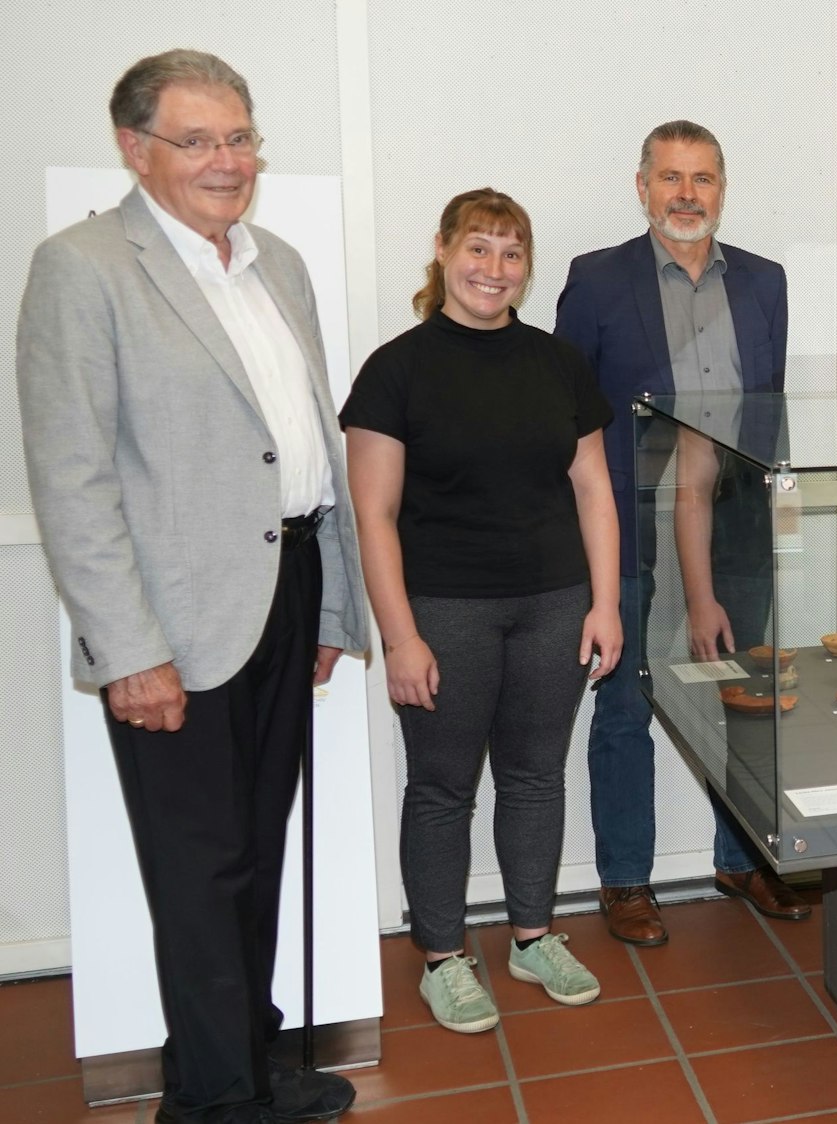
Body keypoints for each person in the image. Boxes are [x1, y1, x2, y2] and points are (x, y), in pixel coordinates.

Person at [16, 50, 365, 1124]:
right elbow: (71, 476)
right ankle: (213, 1100)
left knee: (256, 851)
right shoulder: (83, 267)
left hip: (287, 586)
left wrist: (333, 608)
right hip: (173, 621)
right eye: (201, 139)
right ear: (135, 149)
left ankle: (246, 1061)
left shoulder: (280, 265)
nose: (230, 161)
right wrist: (128, 650)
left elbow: (309, 443)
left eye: (242, 136)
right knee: (198, 870)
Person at [341, 189, 621, 1034]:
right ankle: (442, 955)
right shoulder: (396, 369)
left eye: (510, 253)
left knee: (536, 778)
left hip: (554, 603)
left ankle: (533, 936)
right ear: (442, 251)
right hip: (444, 610)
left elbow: (593, 490)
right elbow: (374, 516)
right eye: (478, 249)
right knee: (442, 788)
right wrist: (400, 637)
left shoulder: (558, 363)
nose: (493, 270)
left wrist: (604, 604)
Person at [553, 120, 808, 944]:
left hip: (734, 521)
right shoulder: (594, 281)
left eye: (702, 178)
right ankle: (625, 880)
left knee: (747, 700)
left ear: (721, 191)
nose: (686, 194)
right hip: (628, 525)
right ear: (642, 186)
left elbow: (770, 409)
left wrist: (782, 523)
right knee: (625, 702)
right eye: (670, 177)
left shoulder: (764, 282)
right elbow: (567, 422)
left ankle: (743, 859)